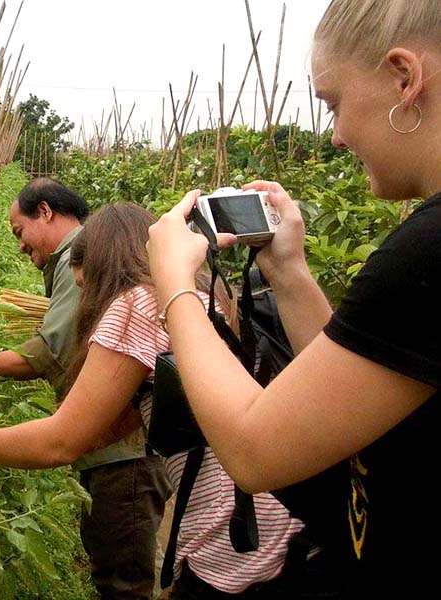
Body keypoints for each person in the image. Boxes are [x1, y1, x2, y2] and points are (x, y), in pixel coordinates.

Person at [144, 0, 440, 595]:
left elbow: (254, 451)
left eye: (332, 103)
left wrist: (174, 283)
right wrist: (290, 273)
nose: (335, 135)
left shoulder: (430, 249)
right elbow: (356, 390)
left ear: (405, 78)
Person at [0, 204, 337, 598]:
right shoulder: (205, 294)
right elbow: (115, 424)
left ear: (104, 273)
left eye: (87, 289)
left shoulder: (138, 305)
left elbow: (61, 441)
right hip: (285, 521)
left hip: (235, 542)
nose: (86, 304)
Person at [0, 178, 169, 599]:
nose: (19, 246)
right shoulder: (168, 297)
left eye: (20, 232)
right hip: (139, 460)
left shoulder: (133, 309)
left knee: (124, 584)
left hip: (128, 463)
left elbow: (62, 438)